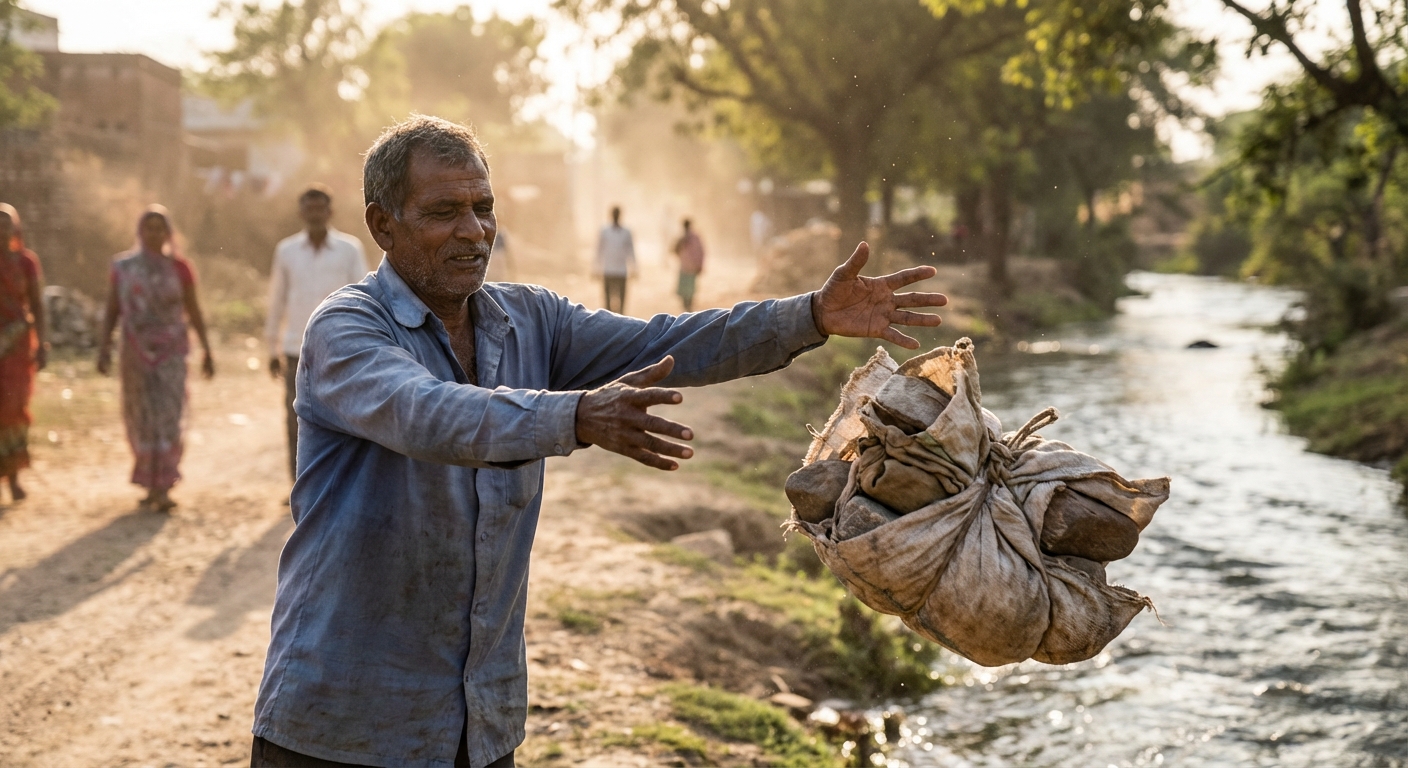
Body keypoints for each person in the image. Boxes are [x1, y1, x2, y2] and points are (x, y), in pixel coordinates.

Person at [249, 115, 947, 768]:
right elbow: (427, 414)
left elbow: (667, 341)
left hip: (476, 724)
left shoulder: (529, 320)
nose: (473, 231)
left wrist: (812, 315)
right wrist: (577, 416)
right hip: (342, 724)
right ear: (382, 224)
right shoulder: (345, 328)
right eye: (443, 212)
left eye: (484, 208)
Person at [97, 206, 214, 512]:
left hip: (172, 353)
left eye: (159, 228)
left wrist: (207, 349)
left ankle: (163, 483)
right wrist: (103, 347)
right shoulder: (123, 267)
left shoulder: (180, 268)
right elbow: (112, 310)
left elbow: (194, 309)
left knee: (169, 415)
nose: (154, 233)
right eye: (148, 228)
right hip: (134, 353)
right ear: (140, 231)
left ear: (168, 233)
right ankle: (149, 482)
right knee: (141, 416)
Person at [265, 185, 368, 480]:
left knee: (343, 417)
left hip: (340, 349)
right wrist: (271, 348)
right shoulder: (286, 251)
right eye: (309, 209)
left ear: (330, 212)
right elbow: (276, 301)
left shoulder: (349, 249)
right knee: (296, 418)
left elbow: (364, 299)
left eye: (319, 208)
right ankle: (300, 484)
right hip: (296, 349)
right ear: (301, 213)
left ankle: (338, 483)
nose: (314, 214)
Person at [0, 203, 47, 503]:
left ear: (15, 228)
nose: (1, 230)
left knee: (14, 407)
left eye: (6, 224)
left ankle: (14, 475)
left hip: (17, 346)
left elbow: (37, 304)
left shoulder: (27, 263)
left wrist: (42, 343)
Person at [594, 205, 635, 313]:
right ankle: (609, 322)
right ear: (612, 215)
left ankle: (620, 321)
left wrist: (634, 268)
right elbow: (598, 250)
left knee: (622, 301)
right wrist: (596, 268)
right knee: (607, 302)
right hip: (608, 270)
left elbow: (631, 250)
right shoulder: (604, 231)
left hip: (621, 271)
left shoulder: (626, 232)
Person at [671, 218, 705, 312]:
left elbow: (674, 250)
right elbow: (701, 252)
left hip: (687, 267)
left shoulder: (687, 237)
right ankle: (687, 308)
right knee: (688, 290)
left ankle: (687, 308)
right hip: (689, 267)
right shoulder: (692, 237)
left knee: (687, 290)